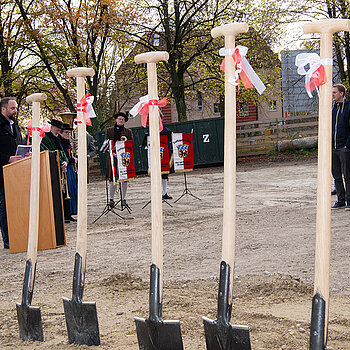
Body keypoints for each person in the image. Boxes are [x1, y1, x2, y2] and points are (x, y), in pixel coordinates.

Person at [0, 97, 23, 249]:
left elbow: (19, 142)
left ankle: (18, 233)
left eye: (15, 108)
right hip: (2, 171)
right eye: (12, 108)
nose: (15, 111)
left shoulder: (15, 125)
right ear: (3, 109)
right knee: (4, 204)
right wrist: (8, 158)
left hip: (17, 171)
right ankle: (7, 238)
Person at [105, 112, 133, 207]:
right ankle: (111, 199)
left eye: (122, 119)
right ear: (116, 120)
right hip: (113, 158)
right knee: (113, 178)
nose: (121, 120)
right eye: (119, 119)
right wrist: (112, 153)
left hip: (124, 158)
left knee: (124, 178)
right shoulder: (109, 131)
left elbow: (130, 145)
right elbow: (106, 144)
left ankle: (123, 199)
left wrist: (122, 155)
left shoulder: (128, 132)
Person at [331, 84, 350, 210]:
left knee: (347, 175)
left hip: (344, 148)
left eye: (334, 92)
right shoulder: (332, 109)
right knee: (336, 175)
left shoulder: (348, 108)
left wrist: (347, 144)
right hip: (333, 148)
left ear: (341, 93)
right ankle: (340, 200)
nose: (332, 95)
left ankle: (349, 200)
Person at [60, 124, 78, 222]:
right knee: (67, 189)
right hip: (66, 168)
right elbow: (64, 156)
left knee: (71, 190)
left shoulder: (67, 142)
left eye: (69, 133)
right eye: (66, 132)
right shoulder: (60, 142)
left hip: (70, 168)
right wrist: (72, 159)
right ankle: (66, 213)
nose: (68, 134)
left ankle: (70, 212)